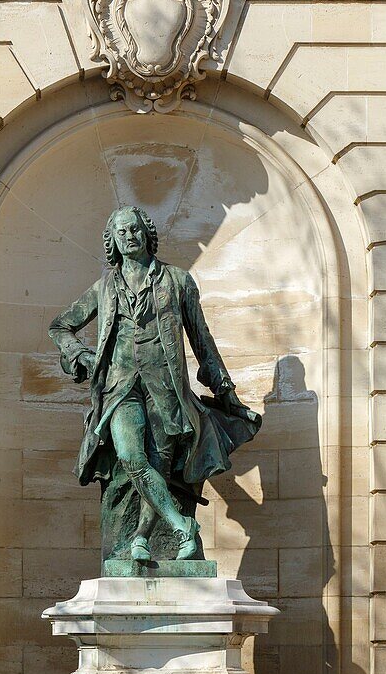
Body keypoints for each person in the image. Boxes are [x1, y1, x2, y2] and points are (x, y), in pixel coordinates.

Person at [49, 205, 261, 562]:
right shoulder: (105, 287)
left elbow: (201, 339)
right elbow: (60, 326)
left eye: (134, 229)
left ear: (146, 233)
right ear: (113, 242)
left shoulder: (178, 281)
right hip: (120, 388)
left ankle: (142, 538)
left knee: (160, 467)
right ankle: (182, 527)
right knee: (132, 456)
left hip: (167, 391)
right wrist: (80, 355)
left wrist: (226, 392)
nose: (129, 236)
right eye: (122, 232)